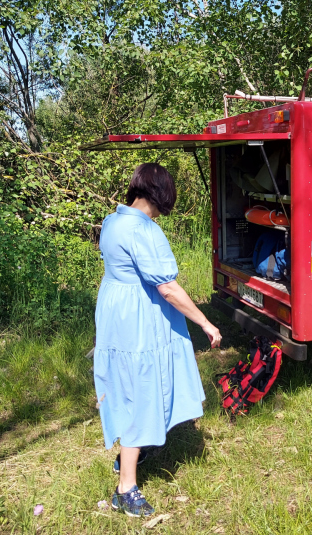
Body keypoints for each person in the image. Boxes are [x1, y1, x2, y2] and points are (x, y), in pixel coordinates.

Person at [94, 163, 222, 516]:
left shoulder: (112, 221)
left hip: (114, 312)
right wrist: (206, 323)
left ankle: (133, 454)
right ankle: (126, 489)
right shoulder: (144, 231)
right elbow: (166, 288)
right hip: (138, 319)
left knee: (126, 385)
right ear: (163, 194)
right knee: (142, 389)